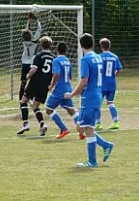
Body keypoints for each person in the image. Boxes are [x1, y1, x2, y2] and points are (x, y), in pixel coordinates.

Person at [64, 33, 114, 168]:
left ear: (81, 46)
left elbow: (84, 80)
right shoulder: (98, 57)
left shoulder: (85, 60)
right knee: (83, 127)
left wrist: (72, 94)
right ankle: (106, 145)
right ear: (92, 44)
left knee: (87, 128)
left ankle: (92, 161)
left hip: (90, 97)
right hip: (96, 94)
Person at [16, 36, 54, 136]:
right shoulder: (54, 58)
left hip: (35, 83)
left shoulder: (39, 56)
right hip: (45, 85)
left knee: (23, 101)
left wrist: (28, 76)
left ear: (41, 45)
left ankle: (25, 124)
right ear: (50, 45)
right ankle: (42, 125)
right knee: (35, 106)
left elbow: (33, 70)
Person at [45, 42, 81, 140]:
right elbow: (70, 76)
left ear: (57, 50)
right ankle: (82, 132)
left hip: (59, 90)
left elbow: (56, 74)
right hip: (67, 88)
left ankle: (64, 129)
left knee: (49, 109)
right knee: (71, 110)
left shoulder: (56, 60)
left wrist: (52, 86)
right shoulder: (67, 60)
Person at [95, 38, 123, 131]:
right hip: (112, 83)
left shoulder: (99, 57)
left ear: (101, 46)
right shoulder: (115, 57)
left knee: (97, 104)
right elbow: (120, 70)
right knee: (110, 103)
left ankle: (98, 124)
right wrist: (113, 75)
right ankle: (116, 122)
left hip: (101, 84)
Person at [19, 12, 42, 100]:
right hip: (32, 64)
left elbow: (27, 31)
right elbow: (39, 30)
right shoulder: (34, 41)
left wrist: (28, 21)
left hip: (24, 63)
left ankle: (21, 98)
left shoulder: (24, 41)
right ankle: (32, 98)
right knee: (33, 82)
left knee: (23, 82)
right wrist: (37, 20)